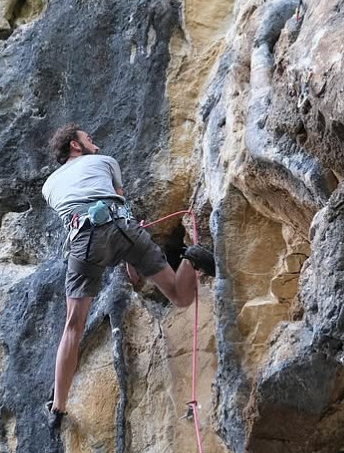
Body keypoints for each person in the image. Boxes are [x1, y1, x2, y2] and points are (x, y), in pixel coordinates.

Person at [41, 123, 215, 429]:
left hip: (85, 239)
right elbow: (120, 206)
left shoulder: (49, 187)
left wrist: (129, 268)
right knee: (179, 296)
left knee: (73, 326)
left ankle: (58, 407)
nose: (95, 144)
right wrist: (133, 262)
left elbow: (85, 216)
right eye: (88, 139)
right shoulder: (106, 162)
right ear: (75, 145)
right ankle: (190, 259)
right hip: (125, 229)